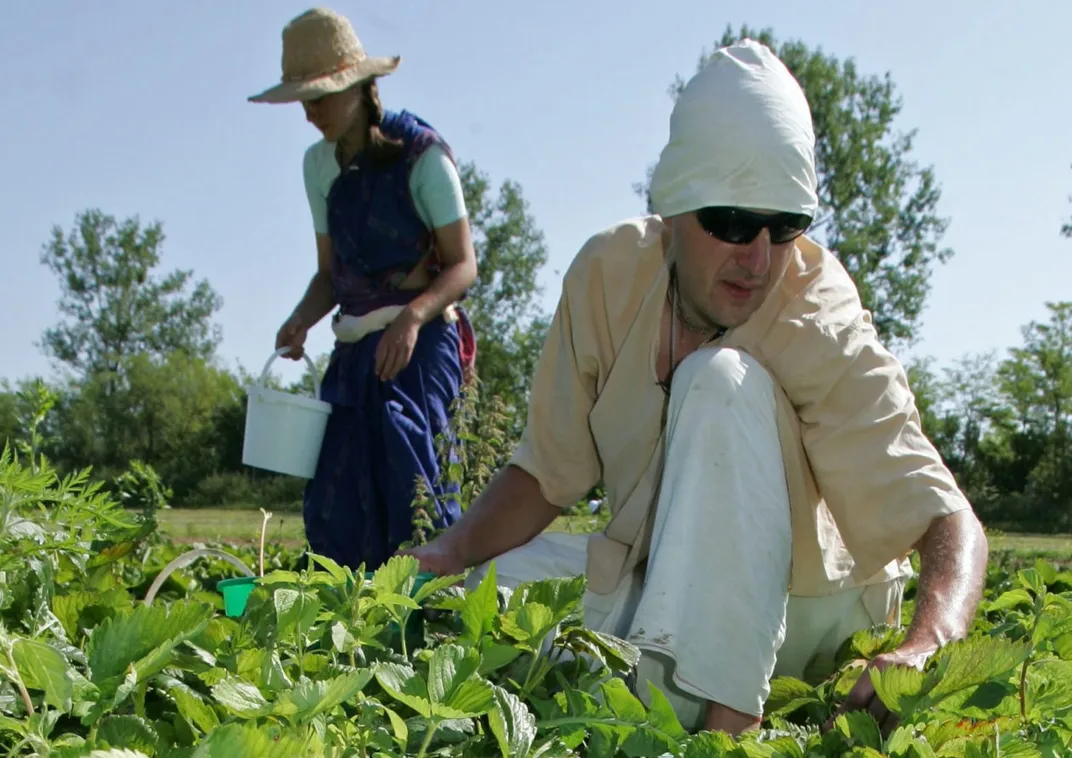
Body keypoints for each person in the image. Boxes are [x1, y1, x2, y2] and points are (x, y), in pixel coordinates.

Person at [403, 39, 988, 736]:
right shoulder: (607, 276)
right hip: (667, 577)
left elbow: (946, 518)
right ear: (673, 209)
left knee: (717, 379)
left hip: (809, 607)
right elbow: (544, 474)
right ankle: (654, 678)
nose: (758, 258)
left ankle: (725, 730)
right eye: (733, 223)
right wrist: (445, 553)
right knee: (485, 589)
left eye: (784, 227)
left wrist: (926, 646)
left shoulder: (814, 311)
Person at [248, 8, 479, 572]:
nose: (311, 114)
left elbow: (463, 266)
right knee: (339, 495)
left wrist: (413, 316)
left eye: (320, 97)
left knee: (414, 488)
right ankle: (348, 634)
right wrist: (301, 319)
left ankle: (431, 627)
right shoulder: (318, 167)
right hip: (356, 351)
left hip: (420, 346)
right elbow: (330, 274)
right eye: (303, 101)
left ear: (357, 84)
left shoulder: (421, 155)